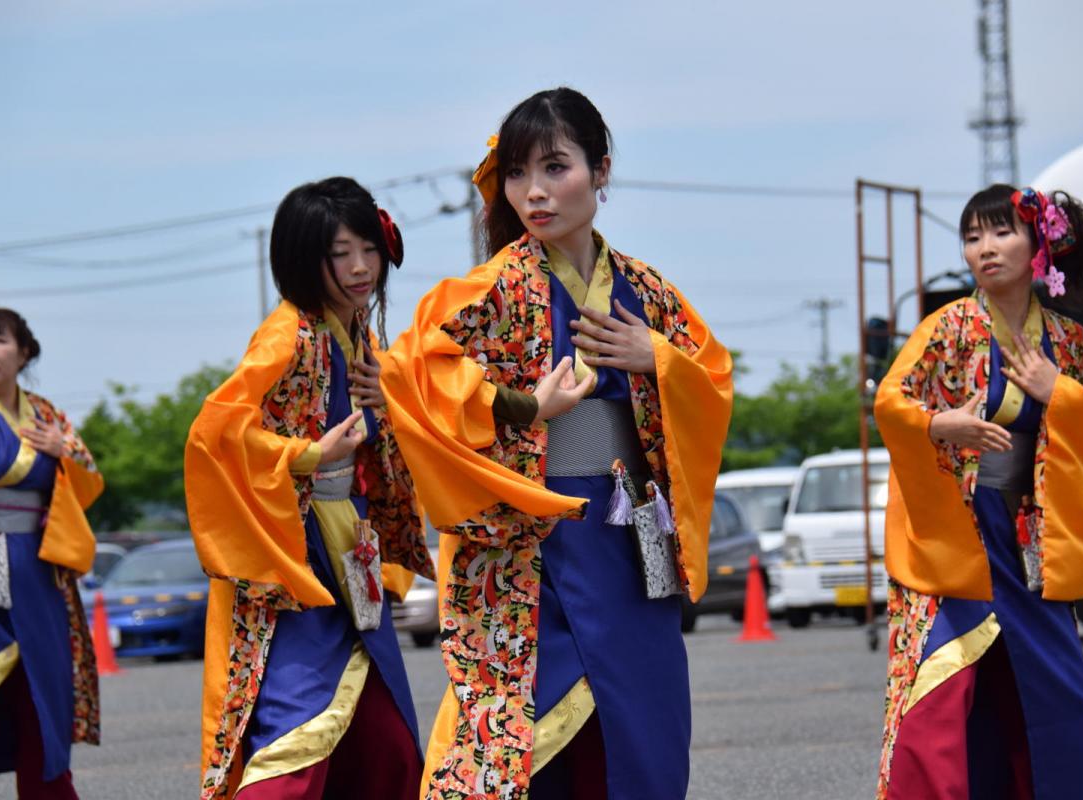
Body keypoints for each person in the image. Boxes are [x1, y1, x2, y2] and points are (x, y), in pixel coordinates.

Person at [377, 87, 733, 799]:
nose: (534, 192)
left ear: (602, 170)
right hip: (528, 546)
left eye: (555, 167)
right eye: (516, 173)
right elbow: (410, 375)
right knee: (515, 739)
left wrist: (658, 359)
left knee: (644, 729)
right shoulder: (492, 290)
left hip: (629, 541)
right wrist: (522, 406)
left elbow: (714, 377)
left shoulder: (647, 292)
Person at [184, 177, 434, 800]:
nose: (361, 267)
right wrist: (308, 454)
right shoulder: (288, 335)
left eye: (369, 249)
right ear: (303, 259)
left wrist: (387, 406)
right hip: (299, 566)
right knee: (294, 739)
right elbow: (215, 433)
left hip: (348, 552)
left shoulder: (356, 333)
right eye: (340, 254)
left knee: (386, 744)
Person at [873, 185, 1083, 799]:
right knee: (940, 692)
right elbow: (891, 402)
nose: (985, 248)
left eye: (1001, 232)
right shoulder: (948, 326)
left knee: (1058, 693)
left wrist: (1059, 393)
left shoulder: (1069, 342)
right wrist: (939, 424)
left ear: (1039, 245)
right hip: (955, 536)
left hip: (1032, 538)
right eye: (972, 236)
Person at [0, 307, 102, 799]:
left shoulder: (47, 415)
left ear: (24, 352)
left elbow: (89, 485)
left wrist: (62, 453)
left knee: (44, 707)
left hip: (40, 574)